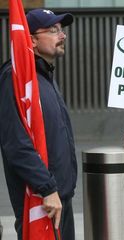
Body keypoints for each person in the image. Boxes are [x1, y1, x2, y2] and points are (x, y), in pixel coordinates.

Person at [0, 9, 77, 239]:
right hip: (41, 201)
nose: (62, 35)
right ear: (31, 40)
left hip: (60, 198)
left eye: (61, 30)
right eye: (53, 30)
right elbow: (16, 143)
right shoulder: (16, 79)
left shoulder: (45, 77)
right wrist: (47, 188)